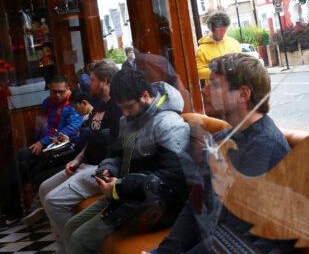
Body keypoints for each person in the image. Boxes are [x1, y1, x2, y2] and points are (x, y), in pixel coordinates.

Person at [152, 53, 294, 253]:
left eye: (215, 85)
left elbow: (233, 237)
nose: (204, 90)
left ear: (243, 94)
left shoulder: (264, 146)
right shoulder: (220, 139)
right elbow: (196, 206)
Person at [62, 69, 190, 253]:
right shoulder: (128, 120)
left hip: (155, 206)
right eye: (121, 107)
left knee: (78, 240)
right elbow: (118, 155)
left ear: (145, 96)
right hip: (126, 194)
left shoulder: (169, 124)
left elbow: (171, 181)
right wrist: (108, 170)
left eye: (128, 107)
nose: (124, 113)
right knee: (69, 228)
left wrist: (119, 187)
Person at [36, 60, 122, 251]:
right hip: (85, 163)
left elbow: (116, 146)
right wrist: (77, 159)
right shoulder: (100, 106)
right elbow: (90, 139)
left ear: (105, 81)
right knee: (44, 188)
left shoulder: (117, 107)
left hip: (101, 168)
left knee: (53, 201)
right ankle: (64, 244)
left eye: (91, 80)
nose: (87, 83)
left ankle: (78, 247)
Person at [0, 75, 83, 225]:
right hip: (44, 147)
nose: (56, 95)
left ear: (68, 90)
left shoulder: (73, 104)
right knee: (19, 165)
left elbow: (71, 130)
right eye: (53, 92)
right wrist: (38, 139)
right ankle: (13, 208)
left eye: (60, 92)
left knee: (23, 160)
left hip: (61, 149)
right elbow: (42, 125)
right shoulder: (47, 103)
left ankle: (14, 210)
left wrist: (42, 141)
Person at [195, 9, 241, 85]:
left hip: (235, 88)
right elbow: (198, 73)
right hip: (215, 92)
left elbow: (241, 64)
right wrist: (218, 70)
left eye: (224, 30)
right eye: (219, 31)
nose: (222, 34)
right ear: (212, 29)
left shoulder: (234, 43)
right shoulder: (202, 50)